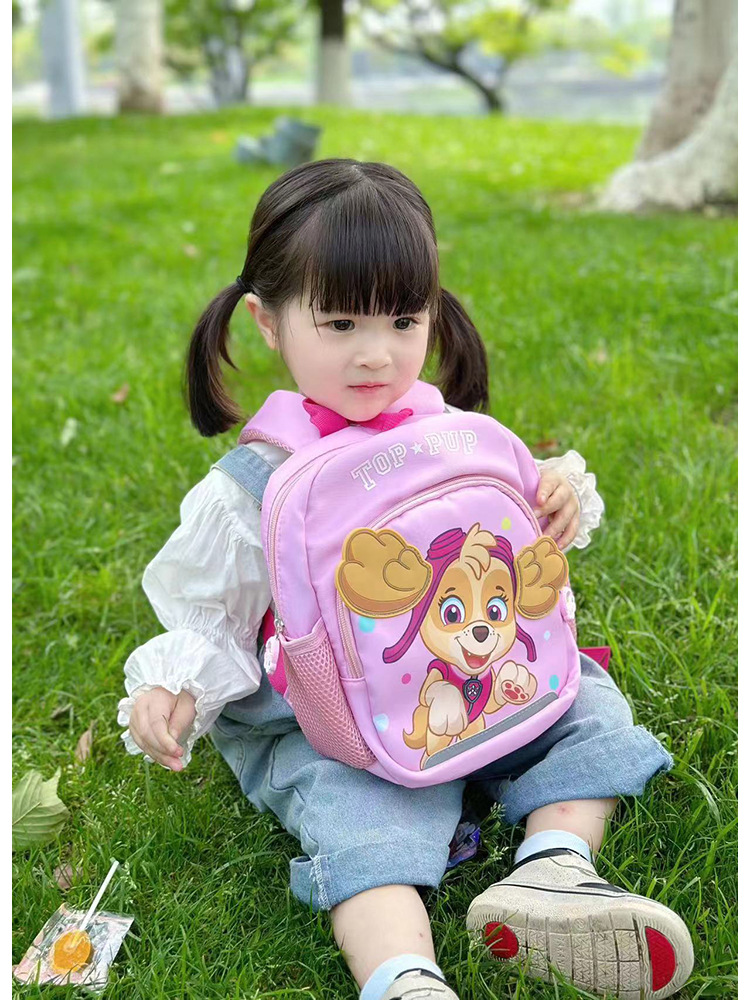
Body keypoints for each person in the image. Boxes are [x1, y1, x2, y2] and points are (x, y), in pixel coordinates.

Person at [117, 159, 693, 1000]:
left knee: (586, 709)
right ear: (268, 322)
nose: (377, 354)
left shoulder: (448, 432)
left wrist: (558, 498)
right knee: (362, 822)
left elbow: (510, 528)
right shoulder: (255, 487)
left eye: (402, 318)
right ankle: (402, 974)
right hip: (333, 725)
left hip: (481, 680)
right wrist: (176, 684)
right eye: (340, 322)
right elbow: (211, 614)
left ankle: (555, 870)